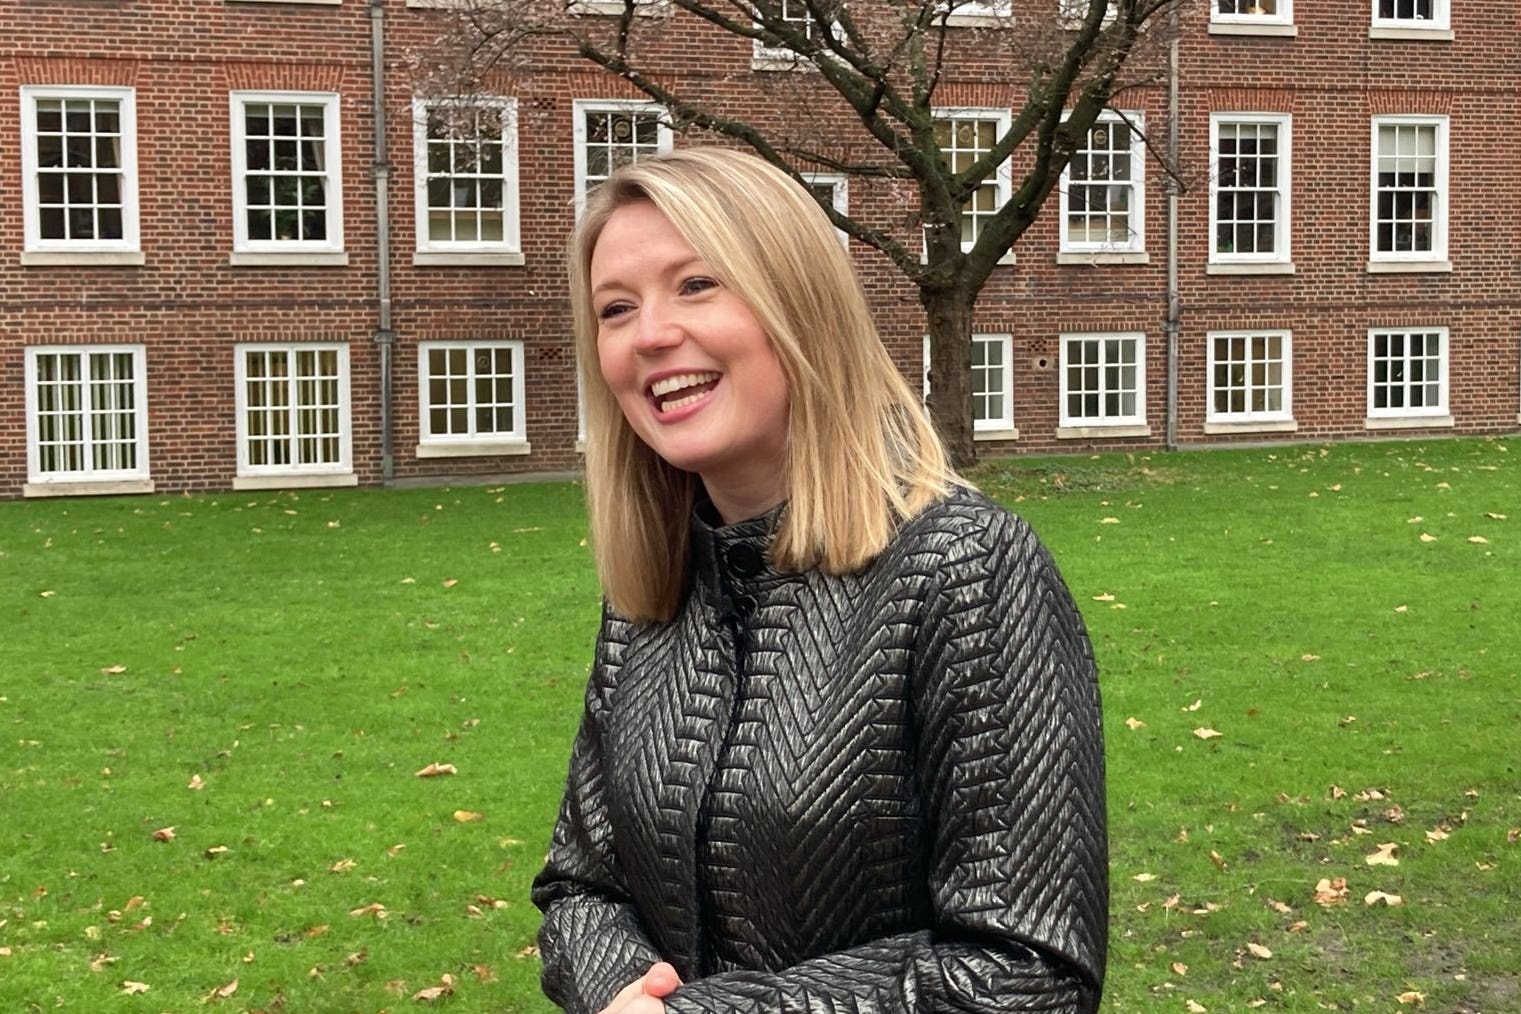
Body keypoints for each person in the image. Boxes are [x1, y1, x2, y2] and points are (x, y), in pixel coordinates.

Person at [531, 147, 1107, 1014]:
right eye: (615, 308)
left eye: (696, 285)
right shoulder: (652, 590)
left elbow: (1027, 968)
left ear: (798, 304)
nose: (649, 334)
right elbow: (580, 882)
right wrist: (614, 986)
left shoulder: (964, 569)